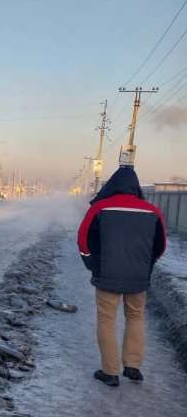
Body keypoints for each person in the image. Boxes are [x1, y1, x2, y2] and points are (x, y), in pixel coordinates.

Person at [77, 166, 166, 387]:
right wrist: (147, 264)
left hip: (107, 273)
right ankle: (133, 366)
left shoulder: (100, 208)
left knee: (107, 320)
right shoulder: (152, 211)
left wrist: (91, 263)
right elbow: (160, 246)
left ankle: (110, 372)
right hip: (138, 276)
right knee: (136, 316)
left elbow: (83, 239)